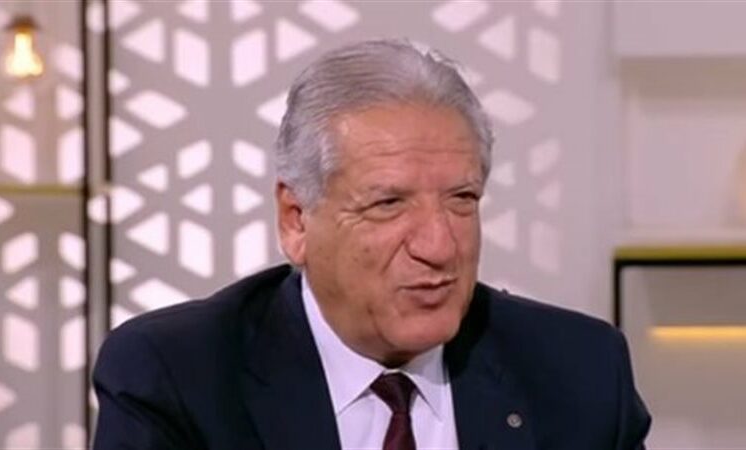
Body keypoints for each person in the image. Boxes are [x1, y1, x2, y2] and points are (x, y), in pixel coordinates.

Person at [92, 39, 650, 450]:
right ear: (296, 221)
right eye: (389, 204)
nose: (439, 246)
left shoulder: (580, 372)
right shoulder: (178, 376)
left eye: (461, 199)